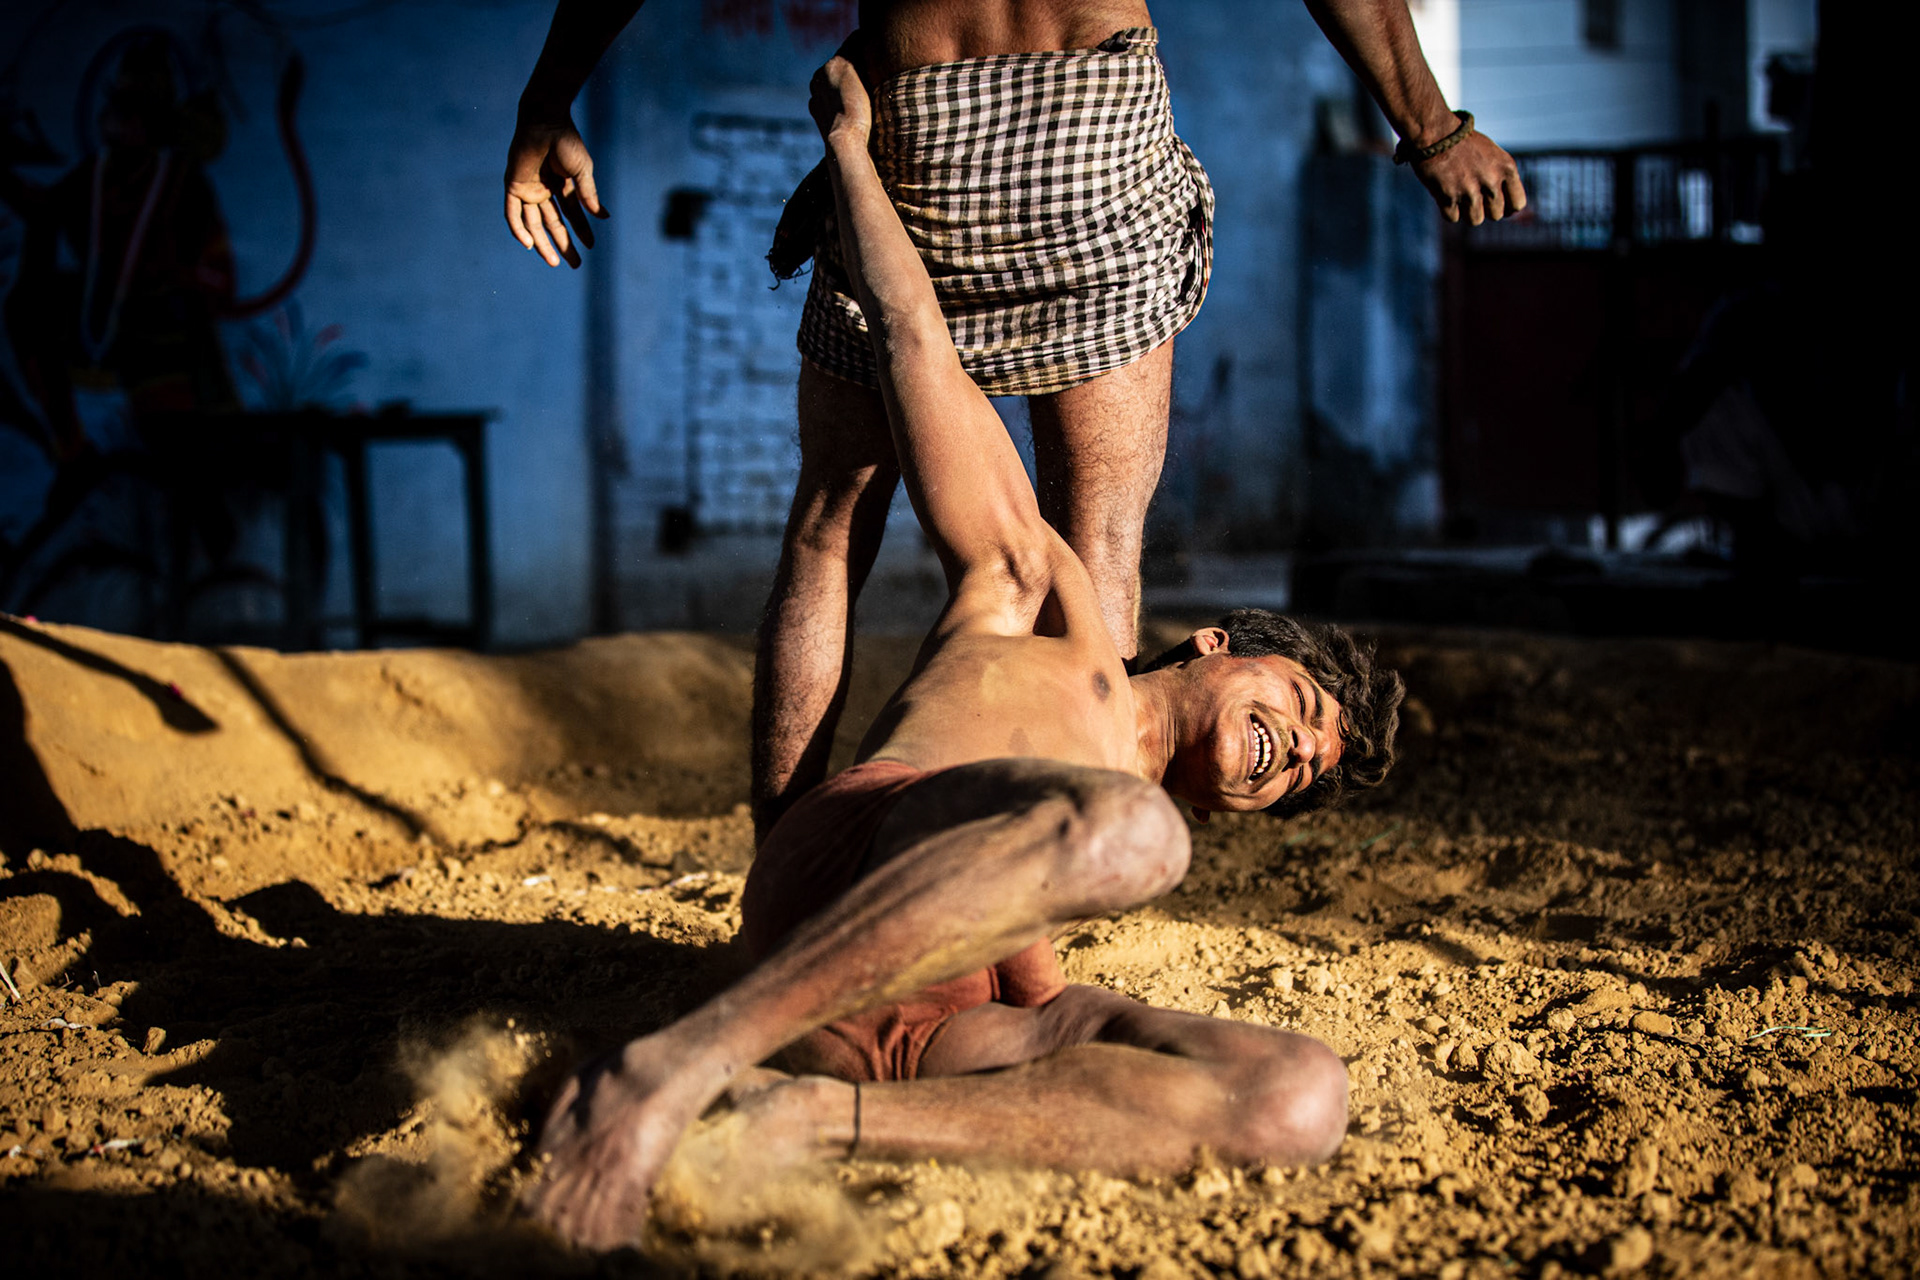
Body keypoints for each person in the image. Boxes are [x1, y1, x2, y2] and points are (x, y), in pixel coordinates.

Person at [520, 54, 1405, 1251]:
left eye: (1301, 766)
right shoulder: (1048, 603)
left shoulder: (1104, 840)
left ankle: (804, 1115)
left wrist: (1055, 1007)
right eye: (1297, 704)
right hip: (854, 868)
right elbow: (917, 341)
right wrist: (847, 157)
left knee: (1302, 1095)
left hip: (924, 1025)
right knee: (1132, 832)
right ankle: (675, 1063)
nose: (1290, 746)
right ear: (1217, 640)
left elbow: (1038, 986)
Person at [502, 0, 1515, 842]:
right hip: (1090, 111)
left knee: (829, 525)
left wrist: (552, 95)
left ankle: (788, 862)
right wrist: (1429, 124)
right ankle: (1049, 855)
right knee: (1100, 536)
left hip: (913, 120)